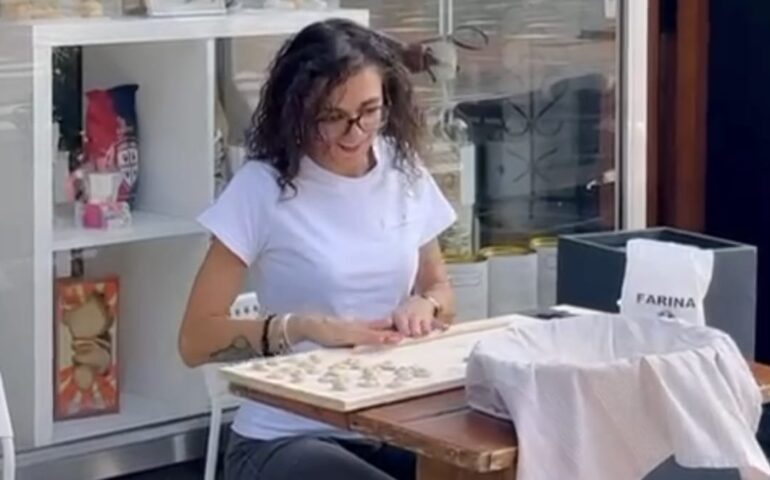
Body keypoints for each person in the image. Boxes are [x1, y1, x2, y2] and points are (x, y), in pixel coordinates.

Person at [178, 18, 457, 480]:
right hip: (285, 438)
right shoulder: (262, 188)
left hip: (391, 423)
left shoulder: (402, 169)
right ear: (297, 111)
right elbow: (194, 340)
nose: (355, 132)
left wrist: (423, 305)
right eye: (331, 117)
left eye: (369, 111)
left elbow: (441, 291)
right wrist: (301, 327)